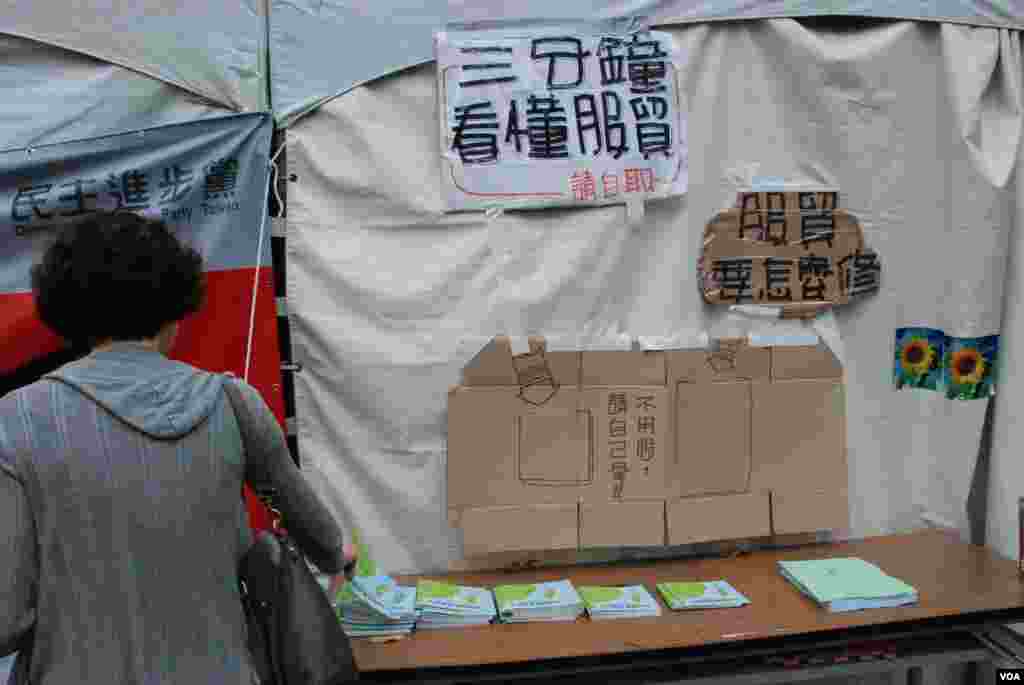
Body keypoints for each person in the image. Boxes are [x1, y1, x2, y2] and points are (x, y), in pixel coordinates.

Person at [0, 211, 356, 684]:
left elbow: (6, 617)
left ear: (67, 310)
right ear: (176, 304)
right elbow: (323, 539)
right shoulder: (232, 402)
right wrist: (339, 555)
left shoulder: (15, 420)